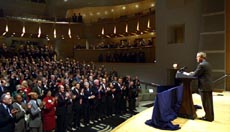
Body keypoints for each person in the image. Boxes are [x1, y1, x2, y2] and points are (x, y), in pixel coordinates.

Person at [188, 52, 214, 122]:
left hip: (204, 87)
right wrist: (193, 73)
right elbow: (199, 72)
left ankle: (207, 117)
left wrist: (190, 74)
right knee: (209, 103)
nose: (196, 58)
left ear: (201, 57)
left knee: (205, 103)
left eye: (197, 57)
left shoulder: (201, 65)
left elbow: (195, 75)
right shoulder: (207, 64)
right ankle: (210, 116)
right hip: (209, 85)